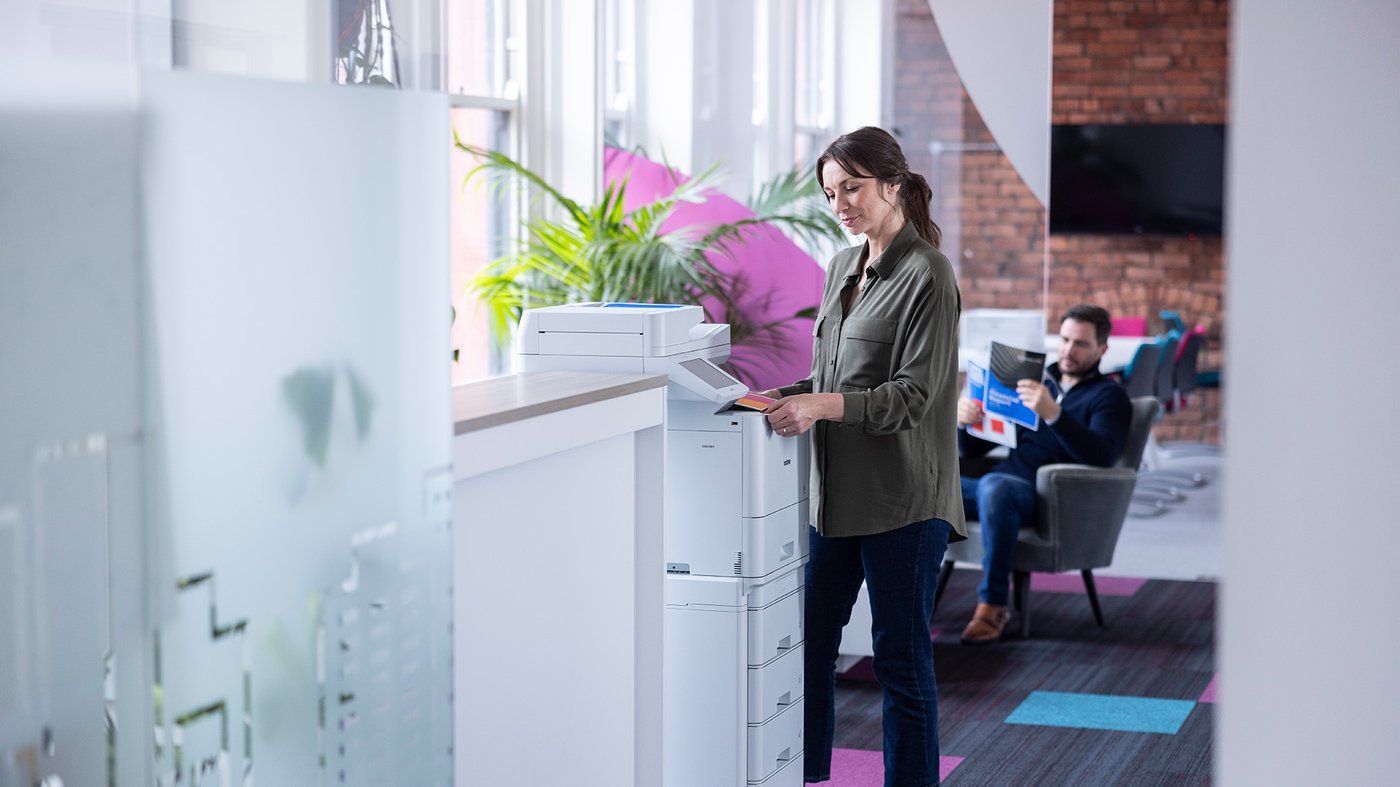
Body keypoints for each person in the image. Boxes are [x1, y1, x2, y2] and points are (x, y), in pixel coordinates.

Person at [758, 126, 965, 787]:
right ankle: (806, 775)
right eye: (829, 192)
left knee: (898, 661)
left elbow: (910, 397)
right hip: (835, 499)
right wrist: (773, 396)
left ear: (892, 184)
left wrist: (817, 407)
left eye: (852, 186)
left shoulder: (927, 274)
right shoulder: (842, 267)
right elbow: (829, 376)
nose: (840, 201)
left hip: (904, 499)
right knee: (810, 649)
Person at [956, 303, 1132, 645]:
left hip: (1043, 498)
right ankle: (906, 600)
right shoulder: (1035, 381)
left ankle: (992, 605)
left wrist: (1054, 415)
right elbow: (974, 451)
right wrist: (967, 423)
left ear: (1102, 349)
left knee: (996, 487)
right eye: (1065, 339)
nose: (1069, 350)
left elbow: (1103, 456)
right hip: (996, 488)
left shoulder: (1109, 396)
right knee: (922, 484)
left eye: (1081, 343)